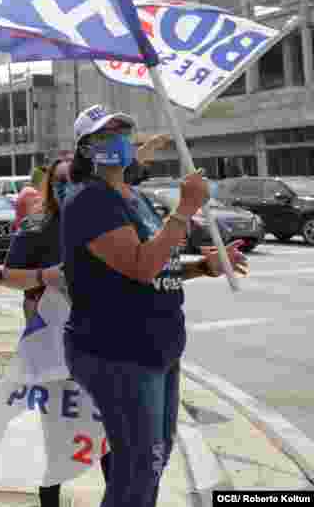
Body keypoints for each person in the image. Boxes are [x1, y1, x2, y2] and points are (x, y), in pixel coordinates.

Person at [61, 105, 249, 507]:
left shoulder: (135, 197)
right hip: (117, 352)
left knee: (152, 461)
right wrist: (183, 210)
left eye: (122, 132)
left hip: (158, 347)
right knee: (139, 467)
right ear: (86, 150)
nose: (117, 141)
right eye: (105, 135)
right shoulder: (90, 201)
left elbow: (158, 261)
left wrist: (203, 265)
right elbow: (141, 266)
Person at [1, 158, 87, 507]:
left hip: (101, 343)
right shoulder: (37, 225)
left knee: (107, 430)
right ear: (51, 184)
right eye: (61, 180)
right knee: (56, 432)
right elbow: (9, 275)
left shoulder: (105, 223)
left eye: (75, 179)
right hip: (51, 343)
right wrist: (43, 277)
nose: (68, 187)